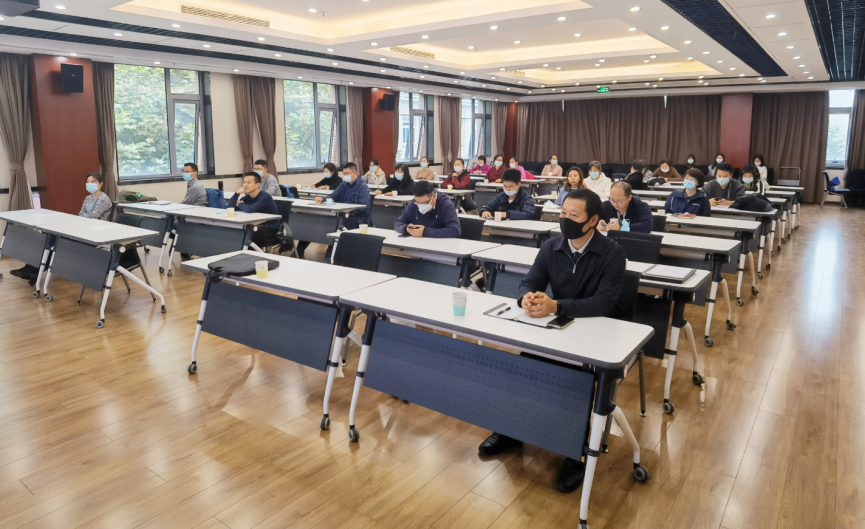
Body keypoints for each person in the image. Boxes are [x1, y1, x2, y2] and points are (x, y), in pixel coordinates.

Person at [479, 188, 626, 494]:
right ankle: (511, 430)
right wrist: (526, 297)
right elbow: (530, 281)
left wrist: (557, 306)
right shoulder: (551, 246)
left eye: (574, 215)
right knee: (522, 370)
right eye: (563, 213)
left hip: (593, 333)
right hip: (554, 327)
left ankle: (576, 451)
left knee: (576, 383)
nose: (565, 220)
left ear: (593, 221)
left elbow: (604, 303)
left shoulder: (612, 254)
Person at [11, 172, 114, 284]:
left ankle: (33, 272)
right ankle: (31, 269)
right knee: (51, 238)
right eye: (87, 182)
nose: (89, 184)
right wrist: (83, 217)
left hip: (95, 232)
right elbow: (81, 214)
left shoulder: (104, 199)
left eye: (92, 182)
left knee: (59, 241)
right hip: (83, 228)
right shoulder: (88, 198)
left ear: (101, 184)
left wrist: (83, 217)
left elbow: (93, 216)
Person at [227, 172, 281, 246]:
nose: (245, 185)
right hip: (255, 226)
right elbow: (230, 208)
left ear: (257, 185)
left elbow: (250, 209)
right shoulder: (247, 197)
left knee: (245, 236)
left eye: (249, 183)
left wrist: (240, 204)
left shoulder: (265, 196)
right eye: (244, 182)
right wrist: (237, 193)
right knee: (236, 233)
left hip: (270, 228)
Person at [394, 181, 461, 238]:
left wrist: (424, 232)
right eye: (418, 203)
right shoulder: (413, 203)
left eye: (425, 203)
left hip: (439, 245)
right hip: (417, 243)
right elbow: (398, 223)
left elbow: (455, 230)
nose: (421, 205)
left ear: (434, 196)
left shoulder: (446, 204)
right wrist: (406, 228)